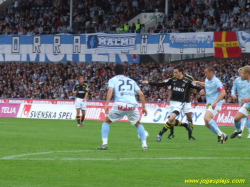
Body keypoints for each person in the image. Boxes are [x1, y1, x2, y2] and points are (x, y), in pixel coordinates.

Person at [142, 65, 201, 142]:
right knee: (171, 120)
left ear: (181, 72)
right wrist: (149, 83)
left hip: (184, 102)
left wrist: (200, 92)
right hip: (174, 103)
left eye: (176, 72)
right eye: (174, 72)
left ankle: (188, 136)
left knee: (188, 118)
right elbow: (160, 84)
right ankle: (184, 125)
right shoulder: (172, 80)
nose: (174, 74)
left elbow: (196, 88)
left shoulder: (188, 80)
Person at [96, 64, 148, 150]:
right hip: (132, 105)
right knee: (138, 123)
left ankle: (104, 144)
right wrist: (143, 107)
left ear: (114, 72)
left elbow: (110, 90)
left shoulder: (113, 80)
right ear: (124, 72)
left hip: (120, 104)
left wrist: (107, 104)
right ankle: (144, 145)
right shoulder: (132, 81)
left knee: (106, 121)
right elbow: (141, 94)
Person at [194, 66, 228, 143]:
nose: (205, 74)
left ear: (211, 73)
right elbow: (206, 84)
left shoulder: (216, 81)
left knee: (206, 117)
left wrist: (216, 102)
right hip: (209, 104)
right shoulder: (207, 80)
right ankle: (223, 135)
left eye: (206, 73)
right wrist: (199, 82)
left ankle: (220, 134)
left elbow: (223, 92)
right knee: (206, 123)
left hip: (216, 104)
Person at [167, 72, 199, 140]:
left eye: (176, 71)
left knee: (189, 118)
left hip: (186, 101)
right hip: (176, 101)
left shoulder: (189, 78)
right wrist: (169, 98)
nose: (175, 73)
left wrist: (195, 98)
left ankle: (190, 136)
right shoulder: (174, 78)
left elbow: (193, 88)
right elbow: (170, 89)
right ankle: (171, 133)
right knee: (171, 117)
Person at [230, 66, 250, 139]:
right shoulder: (241, 81)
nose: (241, 74)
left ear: (247, 74)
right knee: (236, 118)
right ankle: (238, 130)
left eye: (242, 73)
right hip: (247, 105)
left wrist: (248, 99)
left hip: (248, 102)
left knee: (245, 118)